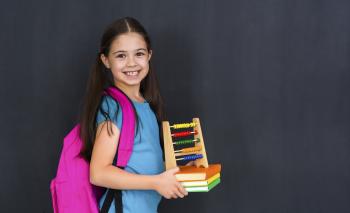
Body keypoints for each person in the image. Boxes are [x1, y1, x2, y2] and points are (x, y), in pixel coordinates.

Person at [78, 17, 188, 212]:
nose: (131, 63)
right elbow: (99, 173)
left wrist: (185, 168)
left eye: (139, 54)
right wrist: (155, 182)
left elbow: (145, 163)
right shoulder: (113, 107)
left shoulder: (145, 105)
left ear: (149, 55)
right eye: (121, 56)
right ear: (106, 60)